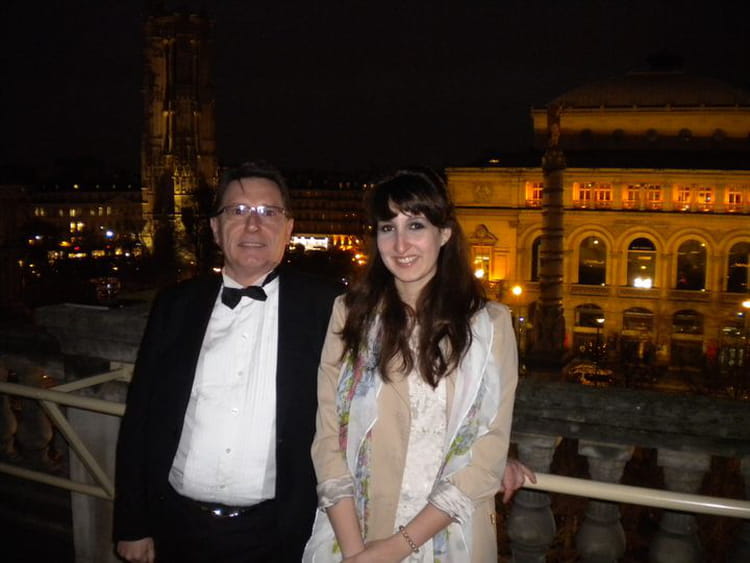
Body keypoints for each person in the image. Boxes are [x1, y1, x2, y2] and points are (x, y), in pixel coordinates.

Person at [113, 161, 342, 563]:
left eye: (268, 212)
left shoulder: (329, 306)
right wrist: (133, 523)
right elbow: (140, 418)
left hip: (281, 534)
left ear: (288, 228)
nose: (253, 225)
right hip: (176, 527)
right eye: (238, 211)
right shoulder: (176, 305)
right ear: (216, 228)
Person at [304, 170, 524, 562]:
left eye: (416, 225)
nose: (400, 243)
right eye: (388, 227)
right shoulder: (350, 315)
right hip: (354, 532)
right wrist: (355, 552)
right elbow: (327, 437)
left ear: (445, 233)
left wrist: (395, 549)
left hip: (449, 537)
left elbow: (487, 450)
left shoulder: (489, 325)